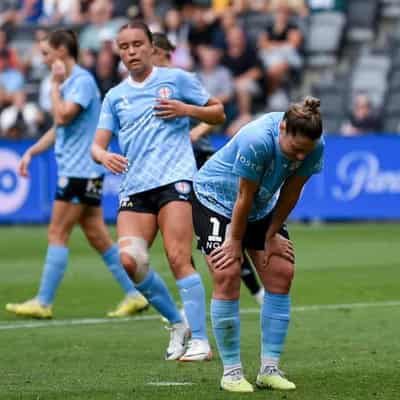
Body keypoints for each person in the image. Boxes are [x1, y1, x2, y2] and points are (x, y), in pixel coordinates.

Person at [91, 21, 225, 361]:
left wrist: (186, 110)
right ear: (119, 52)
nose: (131, 51)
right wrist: (105, 156)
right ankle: (177, 322)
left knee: (178, 257)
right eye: (124, 47)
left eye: (137, 44)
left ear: (152, 47)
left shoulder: (176, 79)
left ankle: (201, 343)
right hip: (135, 187)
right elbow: (97, 146)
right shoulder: (115, 96)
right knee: (130, 261)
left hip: (175, 180)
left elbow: (218, 112)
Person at [6, 29, 149, 319]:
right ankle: (136, 294)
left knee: (57, 232)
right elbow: (60, 129)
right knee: (98, 237)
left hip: (79, 171)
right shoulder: (73, 82)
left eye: (46, 53)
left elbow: (62, 115)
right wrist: (32, 151)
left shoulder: (80, 81)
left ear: (61, 51)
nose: (43, 59)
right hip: (83, 171)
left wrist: (55, 86)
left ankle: (43, 301)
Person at [192, 96, 324, 392]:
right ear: (282, 129)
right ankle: (232, 373)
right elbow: (243, 197)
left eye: (306, 151)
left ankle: (269, 369)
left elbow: (292, 191)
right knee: (227, 272)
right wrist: (234, 242)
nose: (300, 157)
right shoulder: (257, 140)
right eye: (295, 150)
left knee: (281, 272)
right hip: (215, 200)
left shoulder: (314, 144)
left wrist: (272, 233)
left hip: (261, 206)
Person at [152, 31, 265, 305]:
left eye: (150, 51)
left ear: (163, 53)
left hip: (200, 157)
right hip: (172, 167)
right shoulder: (146, 86)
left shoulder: (183, 79)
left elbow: (214, 113)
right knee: (182, 233)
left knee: (219, 228)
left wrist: (195, 131)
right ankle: (192, 296)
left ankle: (256, 291)